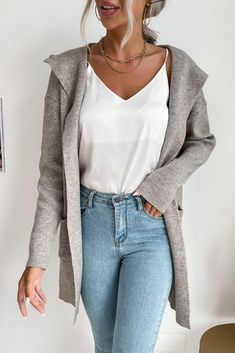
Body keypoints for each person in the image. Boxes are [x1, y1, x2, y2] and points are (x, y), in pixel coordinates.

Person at [17, 1, 216, 352]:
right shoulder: (69, 70)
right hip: (90, 227)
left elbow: (201, 141)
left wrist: (163, 185)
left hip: (151, 231)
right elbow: (52, 176)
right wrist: (37, 258)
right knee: (107, 347)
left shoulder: (178, 69)